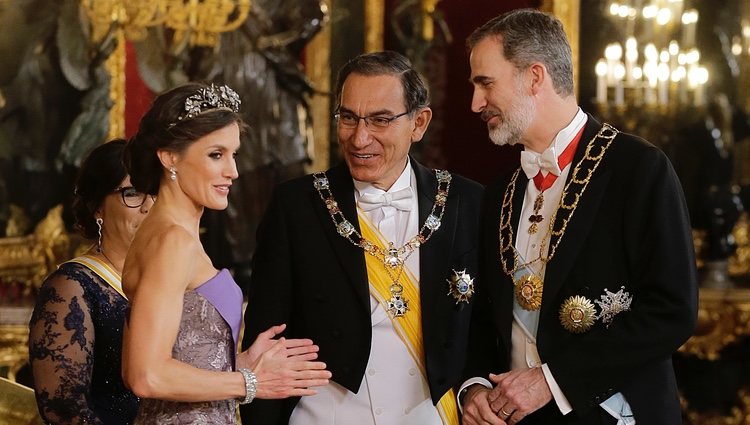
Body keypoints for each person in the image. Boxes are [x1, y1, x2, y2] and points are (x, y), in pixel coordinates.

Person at [459, 9, 698, 425]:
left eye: (486, 83)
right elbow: (484, 315)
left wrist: (552, 381)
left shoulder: (639, 169)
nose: (476, 102)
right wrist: (475, 385)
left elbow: (672, 311)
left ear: (535, 77)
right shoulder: (500, 190)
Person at [240, 50, 483, 425]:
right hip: (323, 415)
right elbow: (267, 341)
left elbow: (487, 330)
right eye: (348, 117)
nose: (359, 137)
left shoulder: (466, 203)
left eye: (380, 120)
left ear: (419, 123)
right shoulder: (297, 206)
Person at [121, 82, 331, 424]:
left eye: (234, 154)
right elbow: (146, 375)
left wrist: (238, 362)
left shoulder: (168, 234)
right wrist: (251, 382)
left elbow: (177, 352)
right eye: (216, 155)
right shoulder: (172, 241)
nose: (233, 171)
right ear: (170, 157)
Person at [28, 139, 151, 424]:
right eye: (133, 193)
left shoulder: (170, 279)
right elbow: (64, 411)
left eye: (156, 192)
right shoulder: (71, 287)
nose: (148, 206)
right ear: (97, 207)